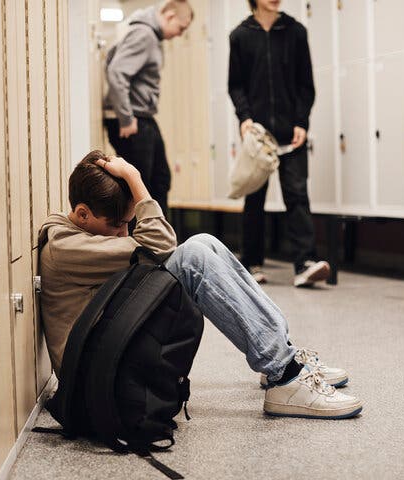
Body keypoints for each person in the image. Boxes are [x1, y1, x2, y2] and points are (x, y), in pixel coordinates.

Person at [38, 151, 363, 419]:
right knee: (190, 257)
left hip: (109, 350)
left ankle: (283, 357)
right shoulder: (67, 248)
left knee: (204, 241)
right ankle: (285, 375)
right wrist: (136, 181)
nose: (125, 233)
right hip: (96, 375)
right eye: (118, 225)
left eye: (129, 223)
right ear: (81, 214)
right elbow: (162, 243)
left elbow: (154, 244)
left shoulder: (78, 233)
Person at [228, 0, 330, 287]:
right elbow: (235, 85)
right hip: (258, 134)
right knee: (255, 197)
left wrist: (302, 121)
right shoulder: (240, 35)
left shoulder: (295, 31)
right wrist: (244, 117)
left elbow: (306, 84)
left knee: (297, 194)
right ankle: (251, 264)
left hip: (290, 131)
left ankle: (305, 264)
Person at [103, 0, 193, 217]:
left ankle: (158, 242)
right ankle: (144, 246)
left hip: (142, 117)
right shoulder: (144, 34)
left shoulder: (149, 35)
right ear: (170, 16)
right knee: (140, 187)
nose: (180, 35)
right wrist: (126, 118)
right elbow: (117, 72)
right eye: (181, 28)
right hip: (133, 120)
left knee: (159, 180)